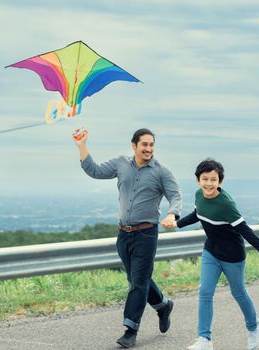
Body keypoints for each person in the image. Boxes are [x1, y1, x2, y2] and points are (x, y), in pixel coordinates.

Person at [74, 128, 181, 348]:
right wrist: (82, 146)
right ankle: (162, 306)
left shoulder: (161, 172)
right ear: (134, 145)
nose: (148, 149)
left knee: (138, 282)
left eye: (151, 145)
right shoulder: (121, 164)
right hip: (123, 234)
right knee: (136, 280)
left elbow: (175, 195)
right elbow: (94, 170)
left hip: (146, 234)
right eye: (144, 144)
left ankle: (130, 329)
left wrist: (172, 214)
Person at [164, 158, 259, 350]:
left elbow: (244, 229)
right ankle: (204, 340)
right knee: (205, 291)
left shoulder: (225, 203)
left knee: (239, 292)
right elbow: (197, 214)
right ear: (198, 180)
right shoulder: (199, 195)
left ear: (220, 181)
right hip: (211, 251)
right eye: (205, 179)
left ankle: (254, 327)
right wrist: (177, 223)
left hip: (232, 255)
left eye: (213, 179)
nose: (209, 183)